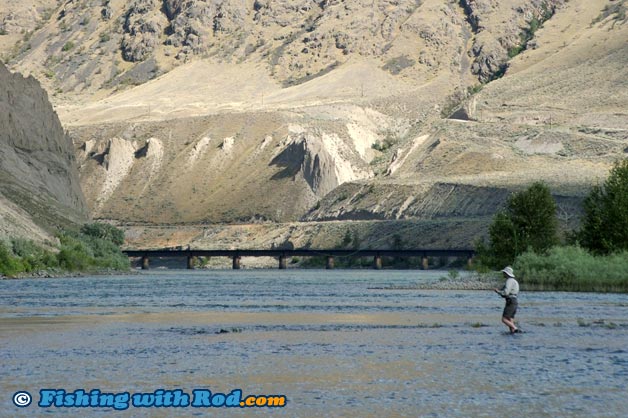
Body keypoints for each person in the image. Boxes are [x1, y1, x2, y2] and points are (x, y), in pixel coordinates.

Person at [494, 266, 521, 333]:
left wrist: (498, 292)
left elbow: (506, 293)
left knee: (504, 319)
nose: (503, 274)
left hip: (510, 301)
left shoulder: (509, 281)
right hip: (514, 301)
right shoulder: (514, 281)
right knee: (510, 319)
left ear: (506, 273)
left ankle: (515, 328)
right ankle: (513, 332)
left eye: (504, 273)